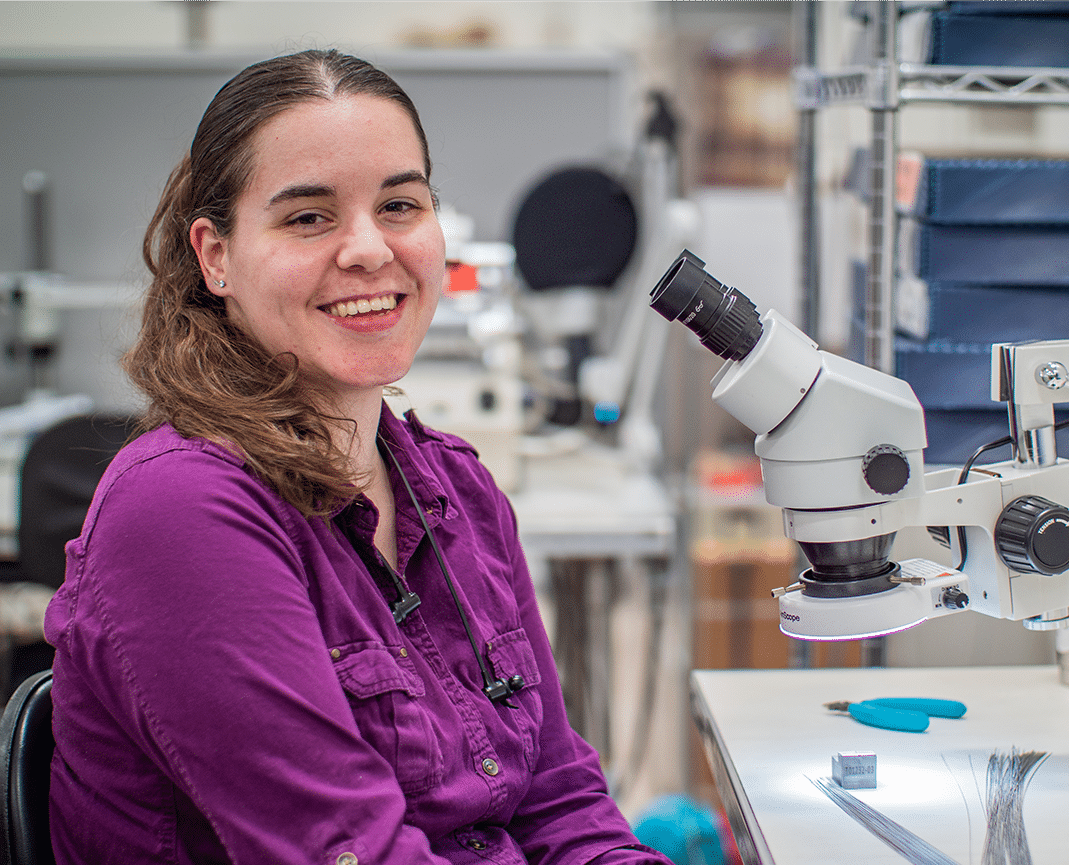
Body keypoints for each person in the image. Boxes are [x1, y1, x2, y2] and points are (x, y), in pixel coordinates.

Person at [44, 49, 673, 865]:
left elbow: (561, 806)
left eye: (400, 205)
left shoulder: (456, 489)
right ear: (216, 256)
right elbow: (346, 851)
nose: (370, 249)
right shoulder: (182, 513)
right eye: (308, 217)